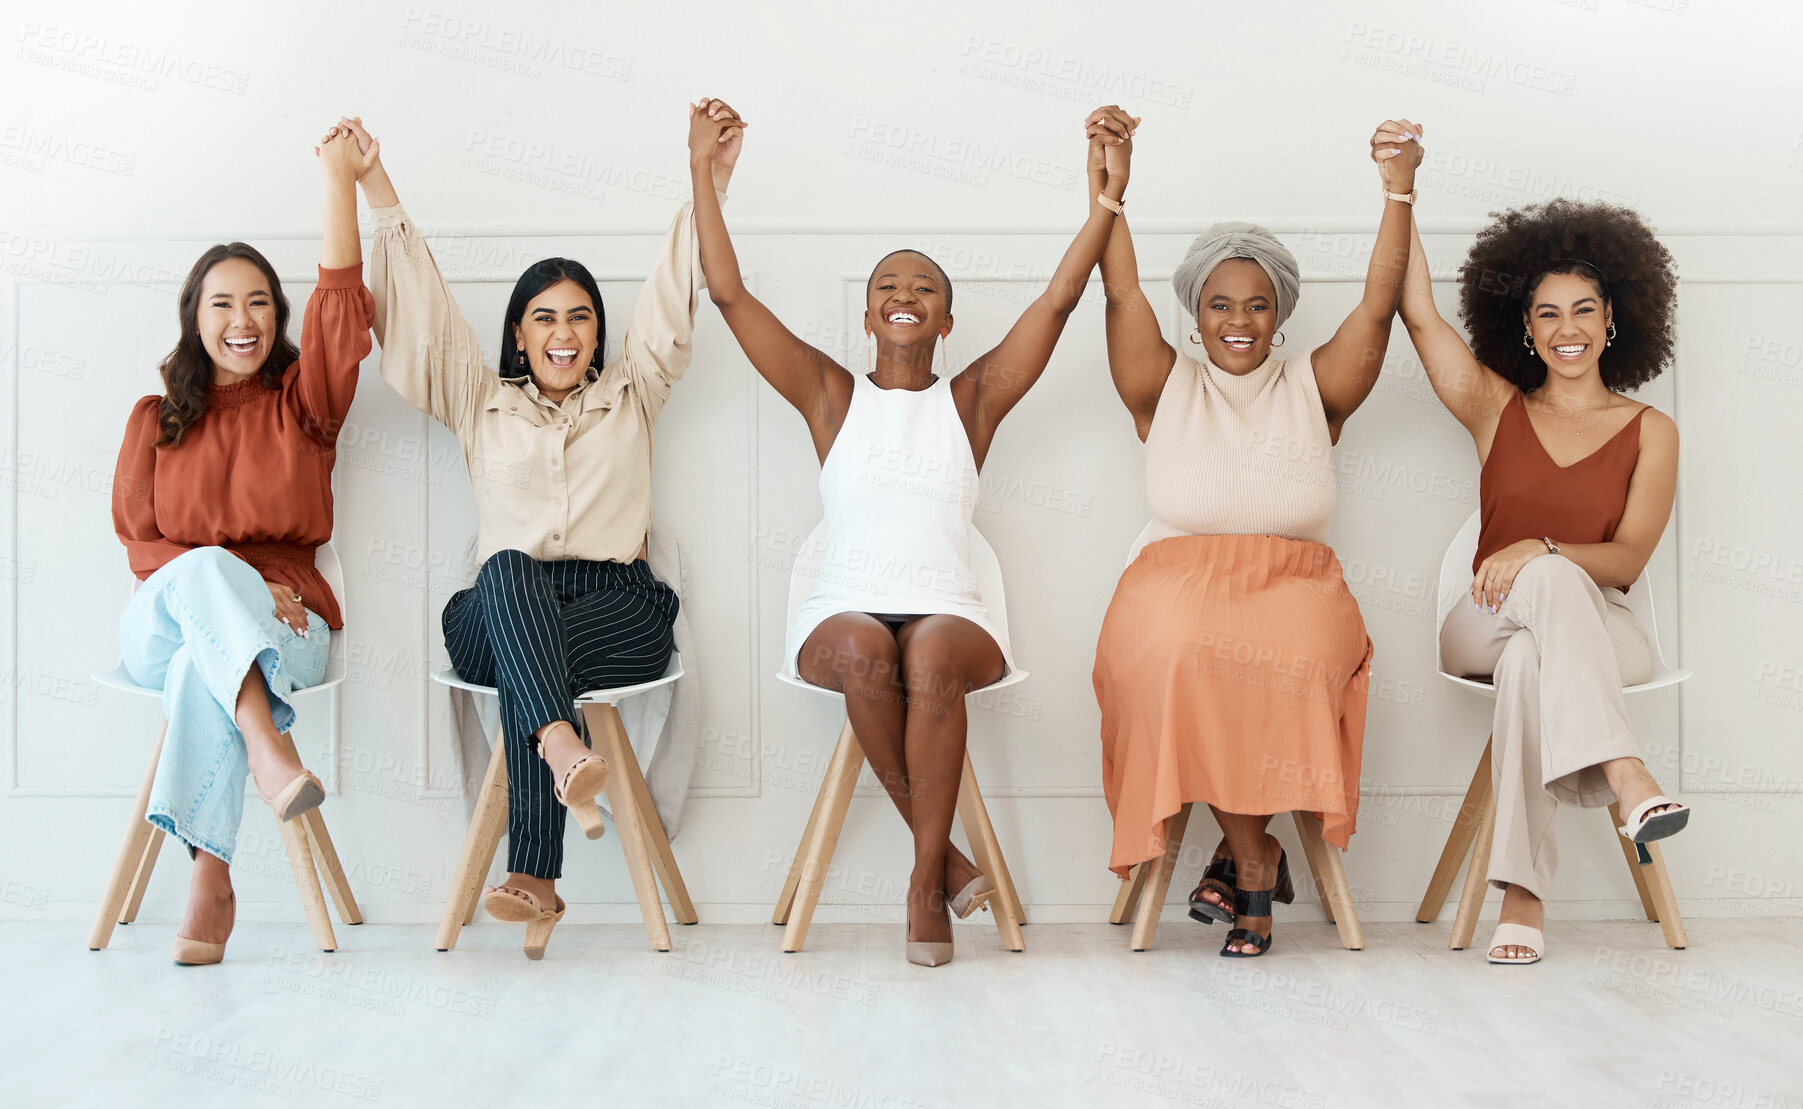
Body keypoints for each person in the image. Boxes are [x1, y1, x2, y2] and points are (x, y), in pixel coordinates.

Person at [692, 100, 1125, 966]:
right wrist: (702, 171)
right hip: (840, 608)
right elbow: (728, 292)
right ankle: (943, 866)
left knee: (925, 656)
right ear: (865, 316)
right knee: (864, 647)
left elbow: (1061, 298)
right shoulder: (828, 395)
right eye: (887, 286)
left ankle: (925, 881)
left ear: (946, 320)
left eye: (923, 287)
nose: (903, 296)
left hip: (951, 612)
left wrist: (1105, 202)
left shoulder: (969, 400)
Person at [332, 103, 739, 958]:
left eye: (581, 316)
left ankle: (539, 872)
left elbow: (678, 286)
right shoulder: (477, 399)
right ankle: (562, 745)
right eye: (545, 318)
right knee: (508, 568)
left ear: (600, 333)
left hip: (617, 607)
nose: (564, 332)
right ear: (518, 333)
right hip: (498, 606)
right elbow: (420, 314)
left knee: (533, 657)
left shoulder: (635, 391)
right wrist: (375, 183)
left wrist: (706, 171)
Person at [1092, 114, 1423, 958]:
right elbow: (1122, 294)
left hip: (1295, 588)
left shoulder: (1315, 385)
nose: (1236, 320)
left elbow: (1379, 309)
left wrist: (1396, 186)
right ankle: (1253, 855)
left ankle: (1245, 858)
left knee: (1283, 663)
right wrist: (1109, 194)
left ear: (1279, 315)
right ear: (1195, 316)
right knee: (1185, 651)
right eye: (1216, 304)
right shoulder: (1160, 383)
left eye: (1256, 304)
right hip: (1170, 585)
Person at [1398, 176, 1687, 965]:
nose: (1567, 329)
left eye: (1583, 310)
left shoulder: (1648, 430)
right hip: (1482, 617)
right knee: (1527, 627)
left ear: (1613, 320)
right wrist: (1399, 194)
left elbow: (1625, 561)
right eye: (1547, 312)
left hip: (1599, 623)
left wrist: (1542, 549)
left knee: (1536, 654)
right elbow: (1416, 312)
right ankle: (1626, 776)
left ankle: (1520, 897)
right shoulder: (1497, 410)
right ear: (1523, 328)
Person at [110, 129, 376, 966]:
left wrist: (340, 181)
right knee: (199, 577)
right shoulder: (154, 421)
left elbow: (341, 304)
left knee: (207, 667)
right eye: (222, 302)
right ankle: (269, 749)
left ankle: (210, 877)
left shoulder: (304, 405)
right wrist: (241, 576)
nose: (242, 319)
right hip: (169, 614)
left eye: (259, 301)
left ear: (278, 315)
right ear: (195, 316)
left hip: (284, 629)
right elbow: (139, 544)